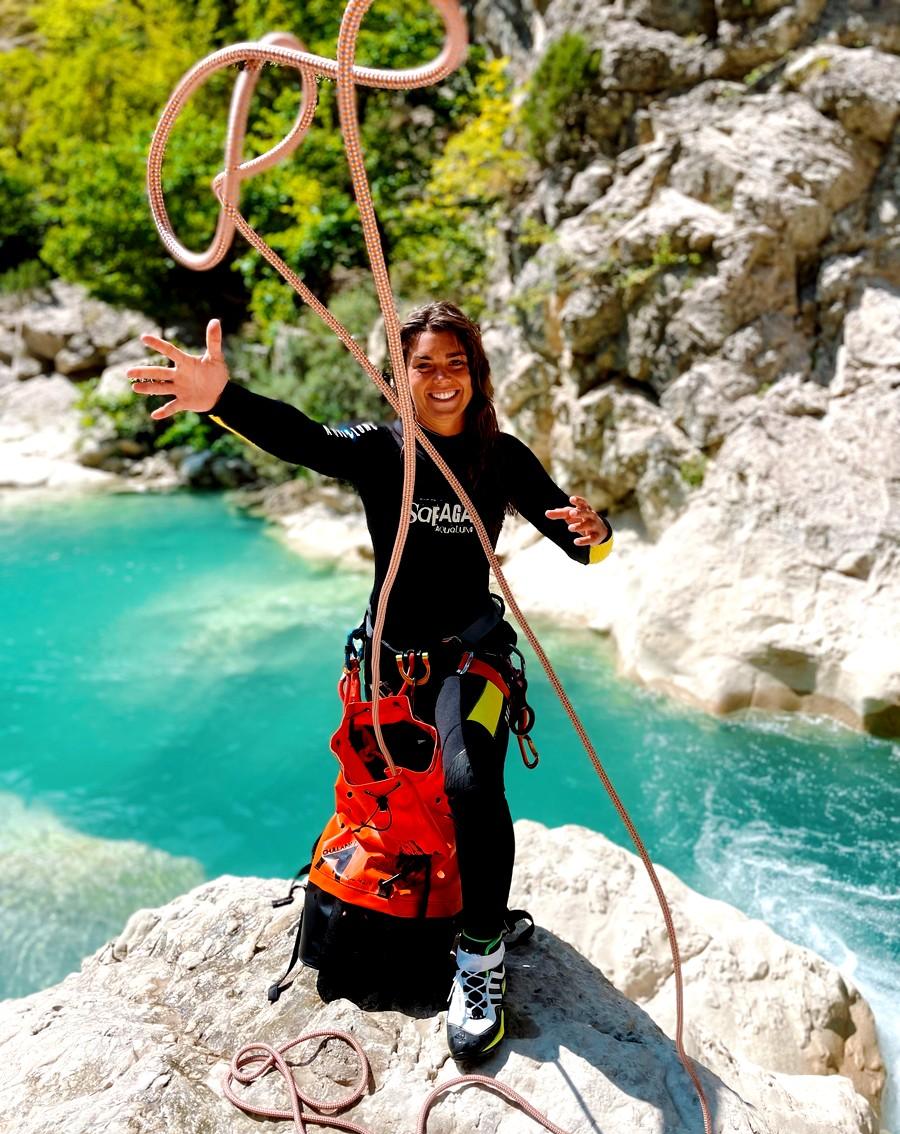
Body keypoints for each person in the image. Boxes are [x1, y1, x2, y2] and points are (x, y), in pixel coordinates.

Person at [128, 301, 612, 1062]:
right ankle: (424, 908)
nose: (442, 379)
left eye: (457, 363)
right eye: (425, 365)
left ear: (477, 376)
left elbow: (579, 545)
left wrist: (600, 533)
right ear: (400, 376)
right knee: (384, 809)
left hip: (467, 661)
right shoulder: (383, 450)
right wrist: (222, 398)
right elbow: (306, 439)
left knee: (471, 782)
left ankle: (479, 959)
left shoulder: (502, 457)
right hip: (388, 667)